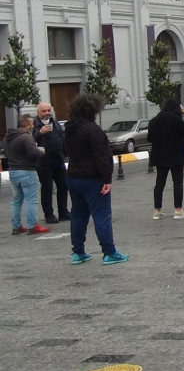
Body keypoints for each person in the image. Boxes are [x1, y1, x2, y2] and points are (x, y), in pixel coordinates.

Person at [64, 95, 128, 264]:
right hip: (92, 178)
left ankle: (77, 252)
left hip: (73, 176)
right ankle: (109, 252)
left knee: (78, 215)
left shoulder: (69, 129)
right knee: (102, 215)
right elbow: (101, 155)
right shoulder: (93, 130)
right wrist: (107, 178)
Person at [147, 98, 184, 220]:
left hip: (159, 156)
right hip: (176, 155)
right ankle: (178, 210)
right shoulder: (176, 119)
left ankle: (157, 210)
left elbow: (149, 138)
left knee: (159, 183)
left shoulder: (154, 121)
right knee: (177, 182)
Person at [7, 113, 50, 235]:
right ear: (26, 124)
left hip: (13, 170)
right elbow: (33, 154)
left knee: (16, 200)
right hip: (27, 170)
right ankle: (32, 226)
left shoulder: (8, 137)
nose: (32, 125)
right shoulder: (26, 137)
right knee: (31, 200)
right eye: (31, 123)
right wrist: (41, 152)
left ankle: (16, 226)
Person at [33, 102, 70, 224]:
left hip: (58, 160)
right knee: (47, 189)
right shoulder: (34, 125)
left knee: (63, 186)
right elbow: (29, 142)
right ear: (38, 113)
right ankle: (49, 214)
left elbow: (62, 138)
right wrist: (40, 133)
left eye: (49, 110)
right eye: (44, 111)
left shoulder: (55, 123)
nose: (47, 113)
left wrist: (65, 154)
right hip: (44, 163)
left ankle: (63, 212)